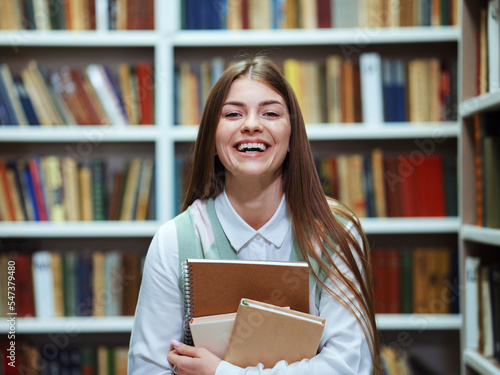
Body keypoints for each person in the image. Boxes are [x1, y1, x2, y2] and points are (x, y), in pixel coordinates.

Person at [128, 55, 380, 375]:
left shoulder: (337, 234)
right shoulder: (173, 241)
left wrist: (221, 373)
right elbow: (149, 369)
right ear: (213, 140)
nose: (251, 124)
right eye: (233, 114)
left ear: (292, 136)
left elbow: (347, 367)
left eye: (270, 113)